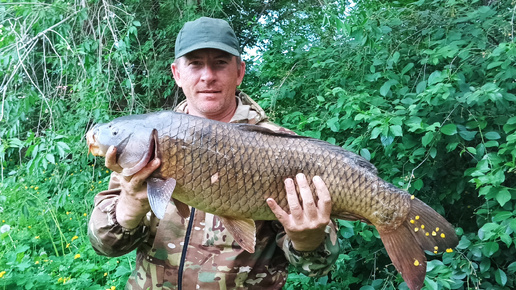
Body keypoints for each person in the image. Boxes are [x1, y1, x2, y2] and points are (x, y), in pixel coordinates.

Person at [88, 17, 340, 289]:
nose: (207, 75)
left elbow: (316, 268)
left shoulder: (283, 148)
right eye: (195, 64)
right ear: (177, 73)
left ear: (240, 72)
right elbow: (105, 246)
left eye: (220, 63)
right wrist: (129, 206)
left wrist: (308, 240)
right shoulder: (151, 141)